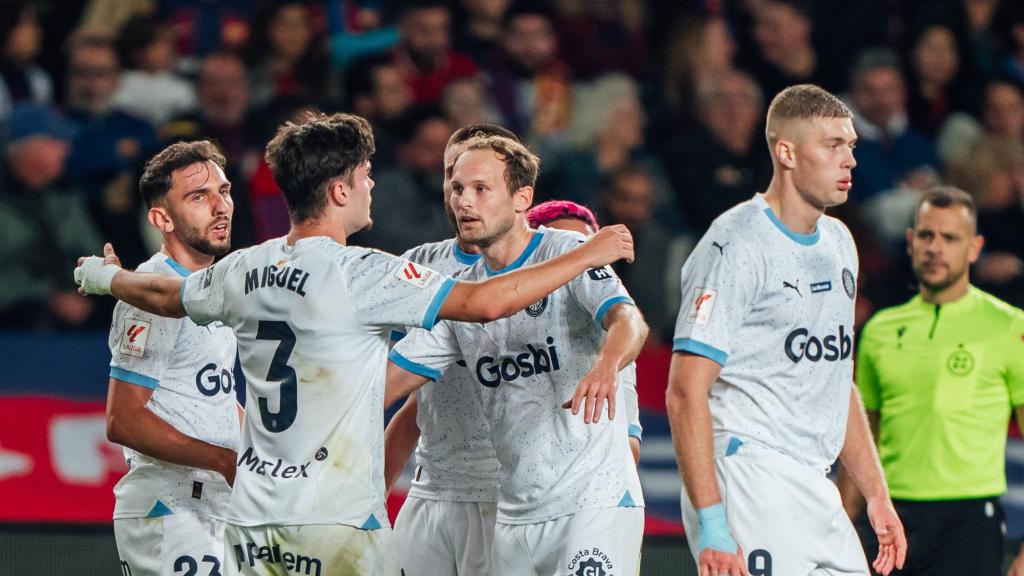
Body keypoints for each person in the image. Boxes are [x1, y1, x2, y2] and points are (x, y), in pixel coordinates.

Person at [75, 112, 635, 575]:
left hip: (253, 520)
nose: (373, 187)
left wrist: (106, 279)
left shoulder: (244, 267)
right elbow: (486, 302)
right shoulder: (366, 273)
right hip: (335, 523)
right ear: (340, 189)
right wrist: (588, 252)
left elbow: (166, 295)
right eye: (366, 176)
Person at [665, 84, 907, 576]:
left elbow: (836, 381)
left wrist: (876, 493)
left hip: (814, 482)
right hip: (750, 474)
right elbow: (684, 392)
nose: (850, 161)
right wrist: (712, 522)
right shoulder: (735, 244)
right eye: (832, 145)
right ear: (786, 152)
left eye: (852, 146)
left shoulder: (840, 243)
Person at [386, 134, 648, 576]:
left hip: (592, 503)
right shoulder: (464, 296)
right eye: (457, 188)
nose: (463, 202)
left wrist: (607, 364)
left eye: (481, 189)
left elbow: (630, 320)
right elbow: (391, 384)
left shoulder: (570, 253)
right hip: (513, 514)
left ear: (522, 197)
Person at [838, 187, 1024, 576]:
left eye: (950, 237)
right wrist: (839, 523)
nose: (935, 247)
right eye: (926, 235)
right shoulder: (879, 330)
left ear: (975, 248)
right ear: (910, 242)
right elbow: (862, 437)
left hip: (968, 523)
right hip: (887, 519)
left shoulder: (1009, 327)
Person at [382, 122, 517, 576]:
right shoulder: (418, 264)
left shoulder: (534, 269)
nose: (462, 197)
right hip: (430, 487)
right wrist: (372, 493)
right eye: (451, 179)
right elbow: (411, 403)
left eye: (478, 185)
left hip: (501, 493)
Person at [105, 140, 241, 575]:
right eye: (198, 197)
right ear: (161, 218)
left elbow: (214, 396)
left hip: (218, 502)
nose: (220, 207)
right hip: (169, 503)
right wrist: (222, 459)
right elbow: (122, 420)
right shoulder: (151, 292)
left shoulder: (216, 291)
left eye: (224, 191)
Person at [526, 199, 644, 463]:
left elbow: (630, 447)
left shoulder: (613, 342)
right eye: (566, 253)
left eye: (589, 252)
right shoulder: (495, 321)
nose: (583, 265)